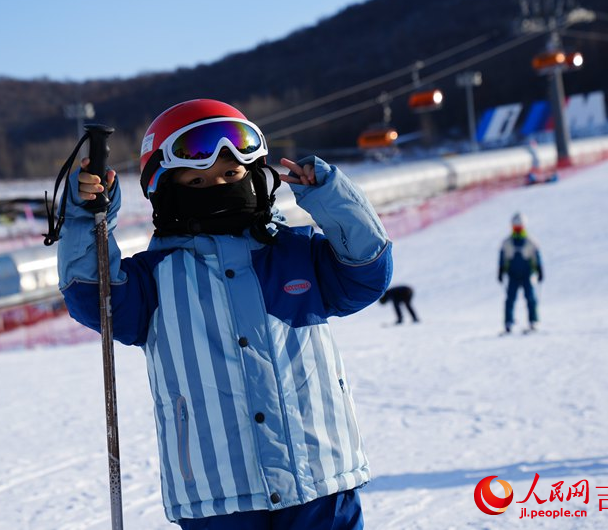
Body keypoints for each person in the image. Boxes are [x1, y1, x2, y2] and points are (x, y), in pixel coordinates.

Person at [58, 99, 392, 529]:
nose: (218, 186)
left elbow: (368, 271)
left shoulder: (296, 254)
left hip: (320, 478)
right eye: (197, 183)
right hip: (218, 493)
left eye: (231, 175)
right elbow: (91, 296)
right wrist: (87, 217)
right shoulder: (152, 279)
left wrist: (330, 197)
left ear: (254, 176)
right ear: (165, 189)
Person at [498, 213, 543, 334]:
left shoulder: (530, 241)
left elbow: (536, 256)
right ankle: (509, 323)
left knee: (530, 298)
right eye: (515, 228)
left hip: (527, 274)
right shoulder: (507, 242)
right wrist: (501, 271)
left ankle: (533, 321)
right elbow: (502, 257)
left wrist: (539, 270)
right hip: (513, 274)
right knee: (510, 299)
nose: (517, 230)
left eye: (520, 228)